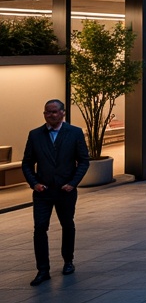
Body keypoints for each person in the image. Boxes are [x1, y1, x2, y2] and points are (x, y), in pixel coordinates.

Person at [22, 100, 90, 285]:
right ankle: (43, 270)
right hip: (43, 191)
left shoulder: (74, 133)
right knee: (39, 228)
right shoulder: (35, 135)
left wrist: (73, 183)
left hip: (65, 190)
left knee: (67, 224)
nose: (50, 115)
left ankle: (68, 261)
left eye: (54, 112)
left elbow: (83, 160)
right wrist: (34, 183)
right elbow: (27, 163)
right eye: (47, 112)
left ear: (62, 113)